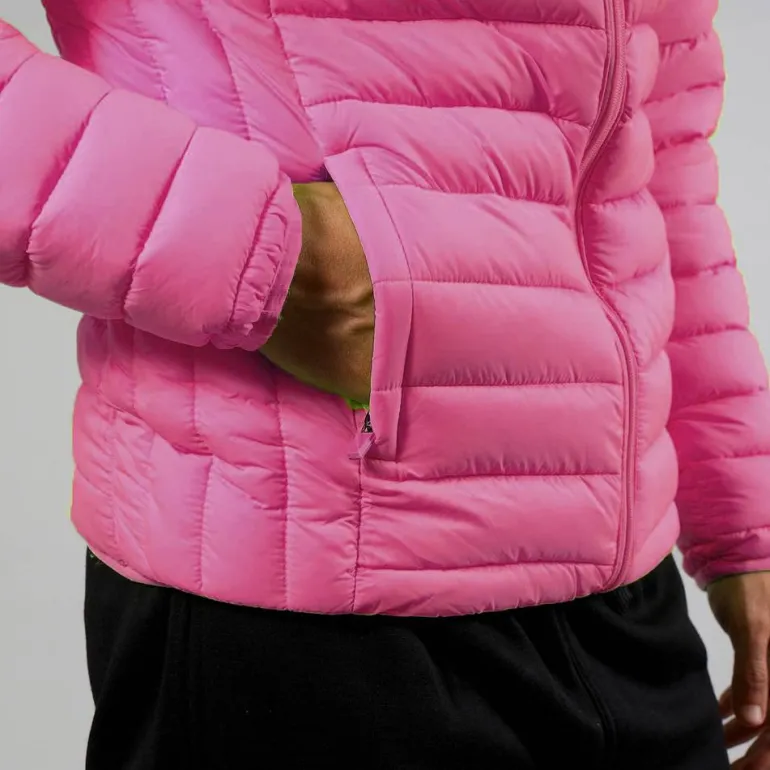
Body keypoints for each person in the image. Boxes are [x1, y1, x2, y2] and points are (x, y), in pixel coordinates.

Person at [1, 1, 769, 767]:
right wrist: (245, 249)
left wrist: (744, 520)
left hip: (628, 601)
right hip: (308, 590)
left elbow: (656, 142)